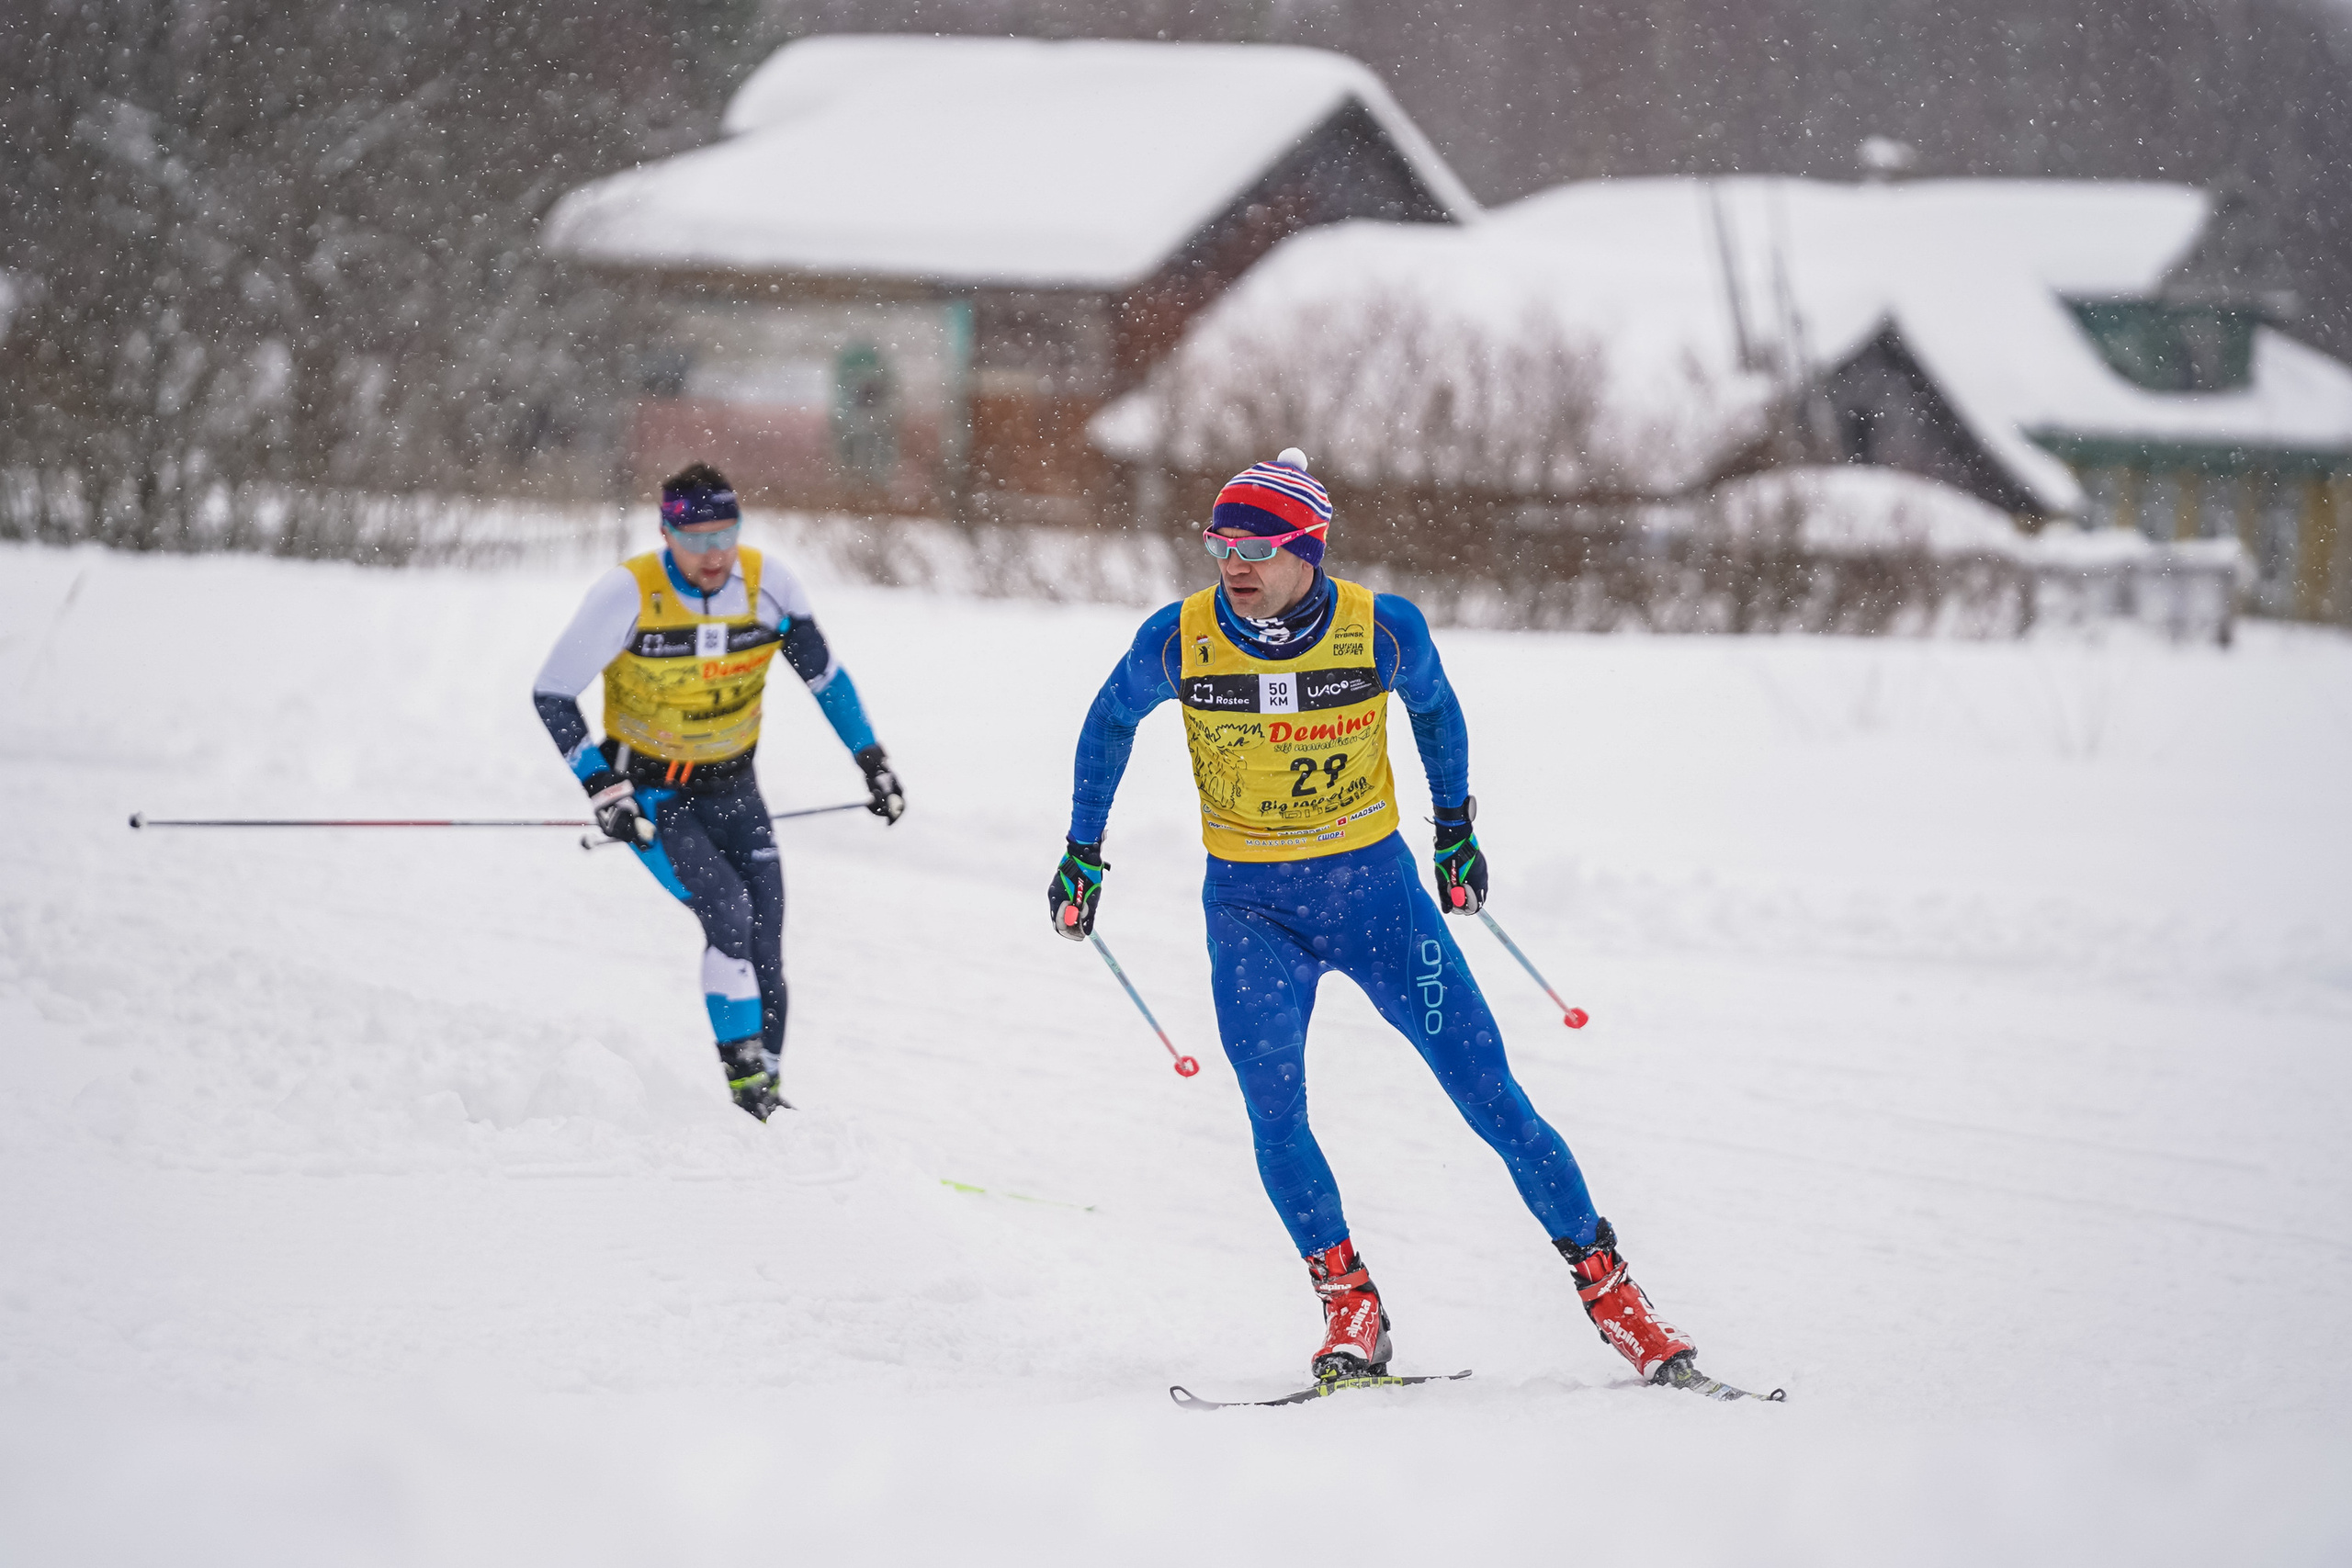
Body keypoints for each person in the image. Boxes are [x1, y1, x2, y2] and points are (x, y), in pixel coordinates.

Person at [1048, 449, 1705, 1389]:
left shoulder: (1379, 631)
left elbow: (1436, 713)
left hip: (1376, 901)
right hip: (1250, 910)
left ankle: (1613, 1296)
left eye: (1258, 546)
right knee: (1274, 1111)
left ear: (1307, 549)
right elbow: (1109, 722)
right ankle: (1347, 1300)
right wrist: (1082, 849)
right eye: (1219, 543)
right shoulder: (1179, 639)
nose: (1234, 564)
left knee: (1492, 1099)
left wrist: (1454, 833)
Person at [534, 463, 904, 1120]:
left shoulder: (770, 586)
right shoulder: (628, 593)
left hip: (735, 784)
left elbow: (826, 679)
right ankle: (749, 1092)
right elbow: (553, 693)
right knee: (727, 911)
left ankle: (768, 1096)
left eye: (725, 534)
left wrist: (871, 761)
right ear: (666, 532)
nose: (713, 553)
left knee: (767, 939)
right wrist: (603, 788)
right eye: (696, 537)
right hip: (652, 792)